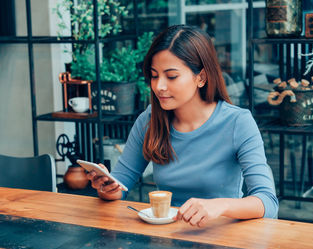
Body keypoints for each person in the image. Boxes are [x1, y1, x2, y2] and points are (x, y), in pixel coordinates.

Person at [87, 25, 279, 227]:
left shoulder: (238, 122)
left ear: (201, 77)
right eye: (154, 75)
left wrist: (220, 206)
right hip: (166, 238)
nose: (159, 86)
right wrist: (107, 187)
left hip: (222, 240)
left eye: (171, 76)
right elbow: (121, 186)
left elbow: (268, 202)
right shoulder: (150, 119)